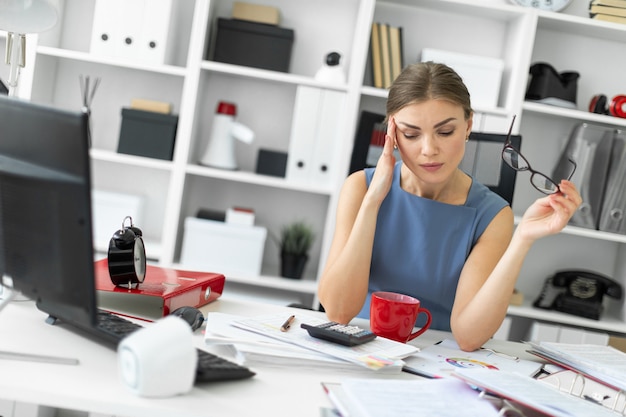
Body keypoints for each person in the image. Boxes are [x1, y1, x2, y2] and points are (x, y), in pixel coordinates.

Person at [317, 62, 582, 352]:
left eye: (445, 132)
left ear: (468, 125)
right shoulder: (361, 188)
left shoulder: (492, 215)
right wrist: (373, 201)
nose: (429, 149)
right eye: (411, 134)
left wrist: (522, 240)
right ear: (391, 131)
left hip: (439, 359)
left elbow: (469, 338)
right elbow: (338, 312)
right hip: (360, 349)